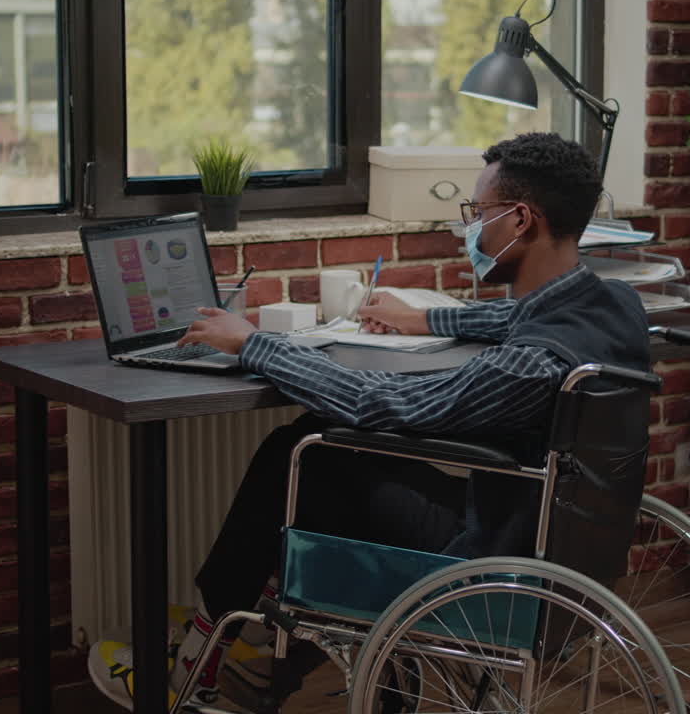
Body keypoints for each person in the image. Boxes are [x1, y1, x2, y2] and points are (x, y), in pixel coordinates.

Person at [88, 132, 651, 712]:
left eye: (477, 213)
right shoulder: (614, 306)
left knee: (303, 451)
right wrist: (425, 318)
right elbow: (520, 316)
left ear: (520, 221)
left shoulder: (531, 365)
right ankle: (252, 647)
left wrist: (255, 345)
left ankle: (198, 661)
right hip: (554, 543)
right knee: (318, 458)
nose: (470, 228)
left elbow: (380, 406)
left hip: (492, 563)